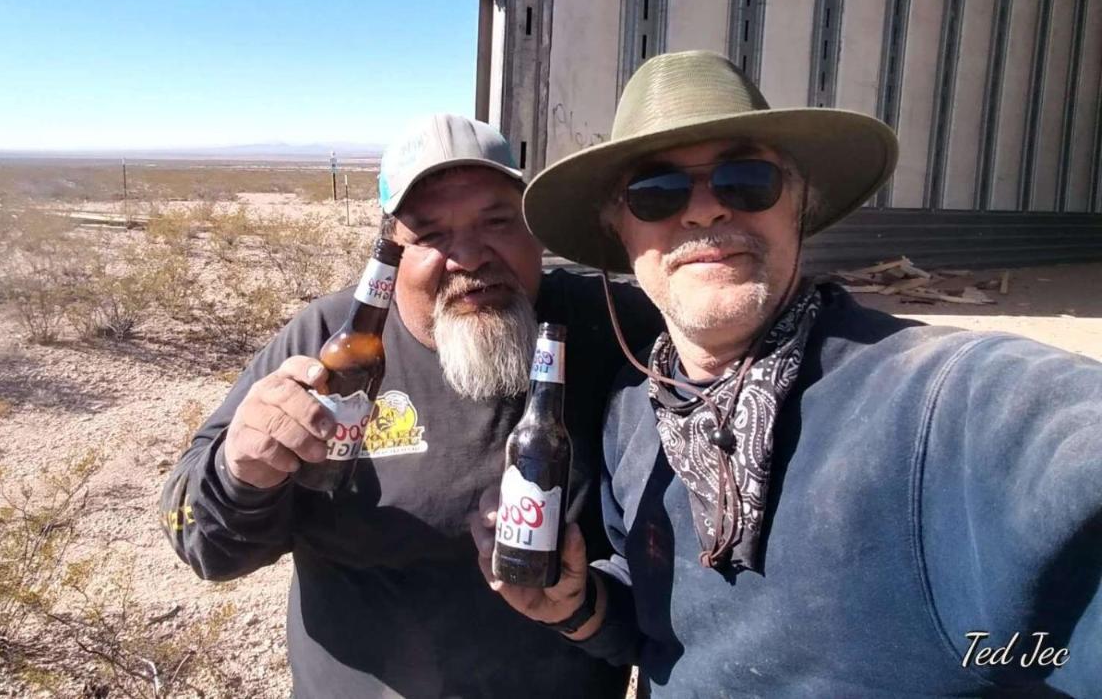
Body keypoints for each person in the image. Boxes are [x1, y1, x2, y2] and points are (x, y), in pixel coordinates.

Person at [476, 51, 1102, 696]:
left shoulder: (942, 403)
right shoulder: (635, 413)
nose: (703, 212)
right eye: (655, 192)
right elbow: (662, 629)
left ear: (799, 204)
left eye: (745, 179)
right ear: (620, 233)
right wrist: (580, 607)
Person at [160, 113, 663, 698]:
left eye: (498, 221)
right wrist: (239, 470)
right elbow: (203, 546)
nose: (470, 256)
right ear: (391, 253)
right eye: (430, 235)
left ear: (535, 232)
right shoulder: (330, 342)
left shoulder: (610, 328)